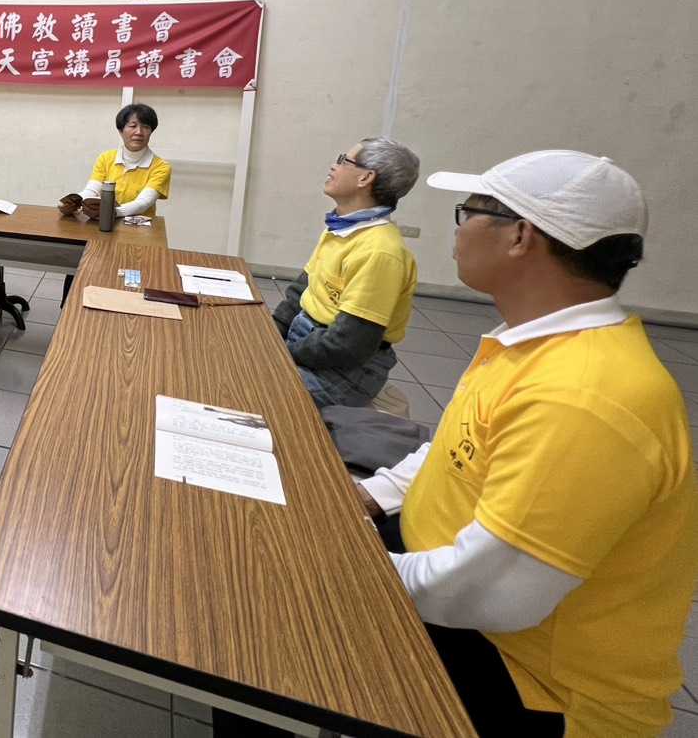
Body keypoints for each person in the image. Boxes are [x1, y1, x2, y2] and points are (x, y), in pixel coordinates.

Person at [353, 150, 698, 735]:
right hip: (448, 581)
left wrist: (343, 568)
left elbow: (490, 596)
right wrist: (368, 497)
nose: (458, 230)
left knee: (266, 641)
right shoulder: (530, 341)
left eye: (468, 213)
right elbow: (454, 451)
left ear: (520, 237)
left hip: (527, 678)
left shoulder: (583, 396)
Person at [271, 138, 420, 408]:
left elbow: (348, 344)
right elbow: (302, 290)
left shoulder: (380, 251)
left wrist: (279, 354)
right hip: (310, 345)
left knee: (241, 384)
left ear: (365, 177)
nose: (333, 166)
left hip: (340, 372)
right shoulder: (342, 227)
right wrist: (268, 334)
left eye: (343, 160)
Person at [56, 103, 171, 300]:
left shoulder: (161, 166)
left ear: (151, 131)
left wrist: (111, 213)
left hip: (137, 237)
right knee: (80, 276)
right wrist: (74, 202)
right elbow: (92, 189)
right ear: (121, 130)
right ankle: (70, 308)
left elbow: (143, 203)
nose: (139, 132)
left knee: (127, 287)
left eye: (145, 127)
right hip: (101, 229)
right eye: (132, 125)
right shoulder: (106, 158)